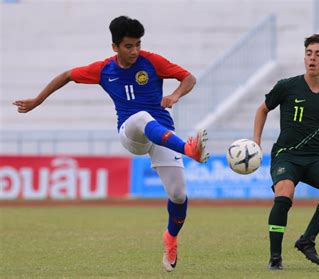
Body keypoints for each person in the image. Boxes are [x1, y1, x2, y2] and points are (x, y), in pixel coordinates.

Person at [13, 15, 209, 271]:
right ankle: (188, 148)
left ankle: (170, 238)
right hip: (132, 134)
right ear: (115, 47)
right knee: (140, 117)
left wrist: (174, 94)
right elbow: (67, 75)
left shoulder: (152, 61)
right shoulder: (104, 69)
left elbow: (189, 78)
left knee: (178, 195)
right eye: (129, 46)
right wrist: (38, 100)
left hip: (162, 133)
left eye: (138, 44)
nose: (135, 51)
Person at [253, 34, 319, 270]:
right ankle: (275, 258)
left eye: (318, 54)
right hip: (285, 156)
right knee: (284, 196)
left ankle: (307, 239)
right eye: (309, 53)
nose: (312, 58)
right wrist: (256, 141)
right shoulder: (287, 86)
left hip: (313, 159)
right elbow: (262, 110)